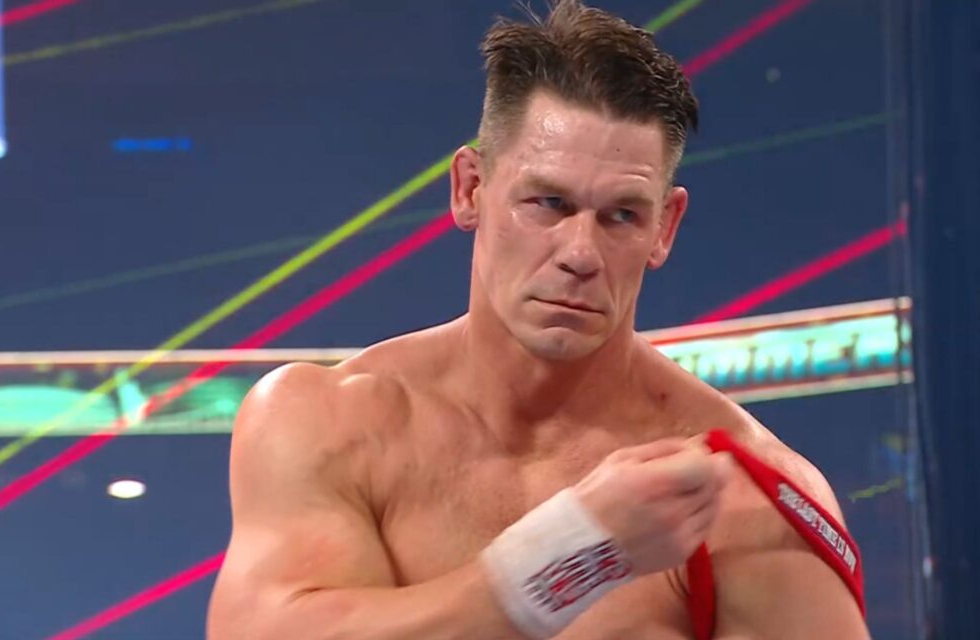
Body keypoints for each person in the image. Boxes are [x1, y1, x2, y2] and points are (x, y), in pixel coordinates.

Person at [207, 1, 870, 638]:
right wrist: (570, 555)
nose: (581, 253)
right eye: (548, 203)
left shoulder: (740, 498)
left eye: (621, 215)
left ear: (665, 228)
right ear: (470, 188)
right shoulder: (329, 424)